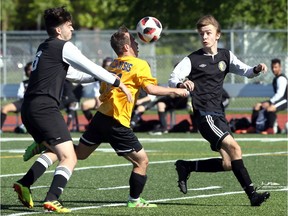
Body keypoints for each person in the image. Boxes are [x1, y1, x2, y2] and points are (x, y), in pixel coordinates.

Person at [20, 25, 189, 210]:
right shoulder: (140, 65)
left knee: (74, 153)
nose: (137, 43)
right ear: (125, 47)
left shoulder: (112, 65)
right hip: (117, 122)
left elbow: (102, 89)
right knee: (142, 161)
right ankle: (134, 200)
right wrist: (175, 90)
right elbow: (151, 90)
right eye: (133, 40)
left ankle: (40, 155)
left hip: (100, 118)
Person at [13, 6, 132, 213]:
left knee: (55, 151)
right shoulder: (64, 46)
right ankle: (52, 198)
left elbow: (76, 75)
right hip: (44, 109)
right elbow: (89, 66)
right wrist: (116, 81)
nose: (73, 29)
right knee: (70, 157)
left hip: (29, 109)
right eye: (69, 25)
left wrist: (101, 76)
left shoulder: (45, 46)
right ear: (59, 30)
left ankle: (25, 181)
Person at [168, 15, 270, 206]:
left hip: (219, 115)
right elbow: (173, 78)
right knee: (235, 148)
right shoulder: (192, 59)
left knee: (228, 163)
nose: (204, 37)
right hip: (204, 115)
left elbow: (245, 71)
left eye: (208, 33)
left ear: (218, 35)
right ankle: (252, 196)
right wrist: (183, 82)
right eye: (201, 34)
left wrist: (256, 69)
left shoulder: (226, 55)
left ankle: (186, 166)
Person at [243, 58, 287, 134]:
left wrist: (269, 102)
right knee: (257, 106)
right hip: (278, 100)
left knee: (270, 108)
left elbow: (280, 94)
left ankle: (270, 129)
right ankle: (253, 127)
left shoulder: (281, 78)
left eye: (276, 67)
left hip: (285, 100)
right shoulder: (276, 79)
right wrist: (266, 102)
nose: (273, 69)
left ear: (280, 67)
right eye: (272, 67)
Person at [0, 62, 32, 133]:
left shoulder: (40, 81)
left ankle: (24, 127)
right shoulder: (24, 83)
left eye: (32, 69)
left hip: (34, 102)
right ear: (26, 71)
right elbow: (20, 94)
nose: (31, 71)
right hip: (23, 102)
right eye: (29, 69)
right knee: (4, 108)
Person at [81, 57, 113, 124]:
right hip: (100, 99)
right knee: (84, 105)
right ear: (103, 66)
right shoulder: (100, 75)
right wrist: (98, 102)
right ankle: (93, 123)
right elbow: (96, 92)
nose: (108, 68)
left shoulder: (116, 75)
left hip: (112, 99)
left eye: (110, 65)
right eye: (106, 66)